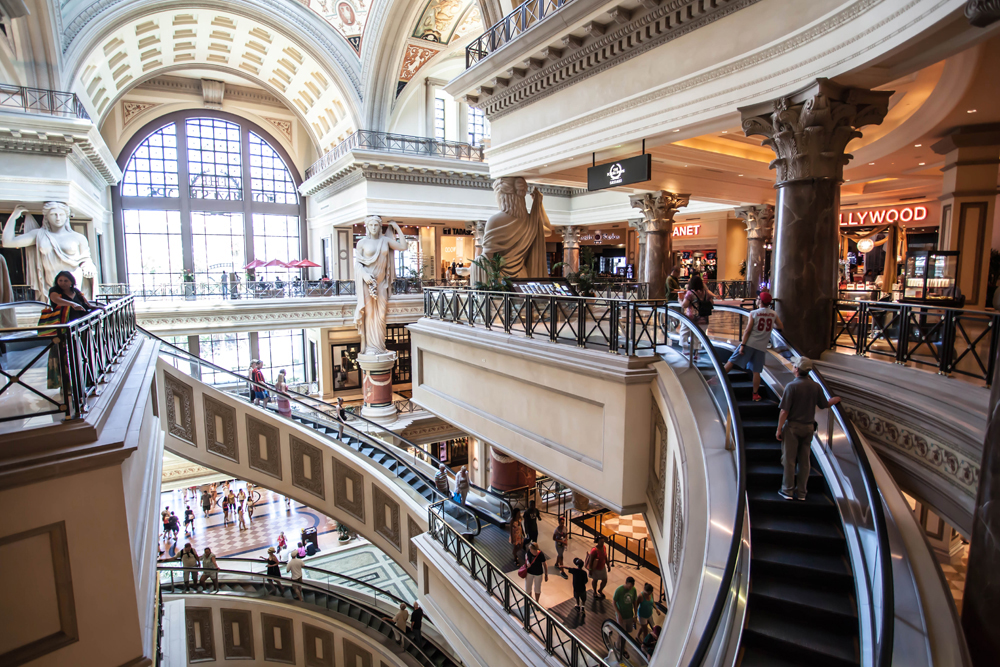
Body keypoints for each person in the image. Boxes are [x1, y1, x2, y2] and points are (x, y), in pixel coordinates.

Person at [775, 357, 841, 500]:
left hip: (793, 427)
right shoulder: (815, 386)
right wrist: (833, 401)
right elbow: (824, 404)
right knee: (805, 461)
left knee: (789, 460)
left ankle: (787, 490)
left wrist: (779, 429)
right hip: (809, 428)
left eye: (794, 366)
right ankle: (802, 493)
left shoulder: (792, 386)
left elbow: (784, 411)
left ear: (797, 369)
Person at [724, 291, 782, 402]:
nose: (756, 299)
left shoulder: (754, 313)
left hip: (749, 343)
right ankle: (755, 394)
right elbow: (780, 326)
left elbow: (747, 330)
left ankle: (717, 379)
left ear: (760, 301)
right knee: (756, 371)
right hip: (761, 346)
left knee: (731, 361)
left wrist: (742, 345)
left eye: (757, 298)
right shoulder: (773, 314)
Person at [679, 274, 714, 360]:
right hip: (704, 318)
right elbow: (712, 303)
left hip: (691, 318)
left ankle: (685, 349)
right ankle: (697, 354)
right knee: (698, 337)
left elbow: (684, 305)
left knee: (684, 332)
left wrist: (679, 300)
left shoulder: (690, 293)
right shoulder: (706, 293)